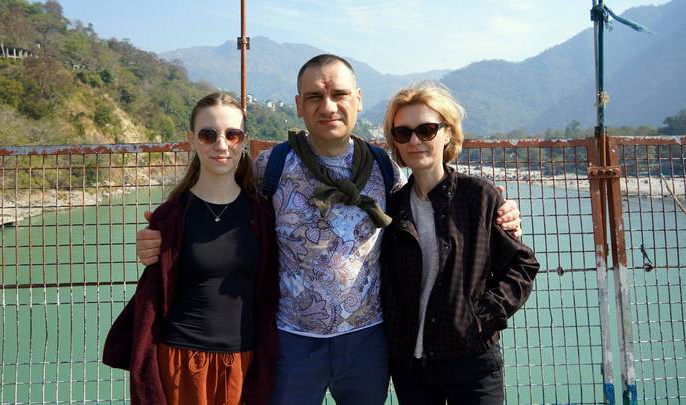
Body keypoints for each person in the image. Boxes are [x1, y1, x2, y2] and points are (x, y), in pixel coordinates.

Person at [136, 55, 523, 405]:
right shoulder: (270, 167)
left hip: (368, 340)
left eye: (339, 94)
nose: (328, 107)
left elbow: (425, 210)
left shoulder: (384, 168)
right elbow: (220, 198)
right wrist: (166, 233)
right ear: (299, 105)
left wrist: (500, 213)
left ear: (357, 99)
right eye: (314, 97)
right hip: (291, 340)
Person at [102, 92, 279, 405]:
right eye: (208, 134)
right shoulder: (170, 217)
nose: (221, 145)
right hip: (181, 362)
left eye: (232, 134)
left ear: (244, 141)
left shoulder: (262, 215)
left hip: (244, 363)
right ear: (192, 140)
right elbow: (154, 294)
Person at [379, 83, 540, 405]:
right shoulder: (390, 207)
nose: (414, 141)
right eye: (403, 133)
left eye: (426, 130)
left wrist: (481, 315)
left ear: (447, 134)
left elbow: (522, 266)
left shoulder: (479, 197)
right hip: (411, 366)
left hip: (472, 360)